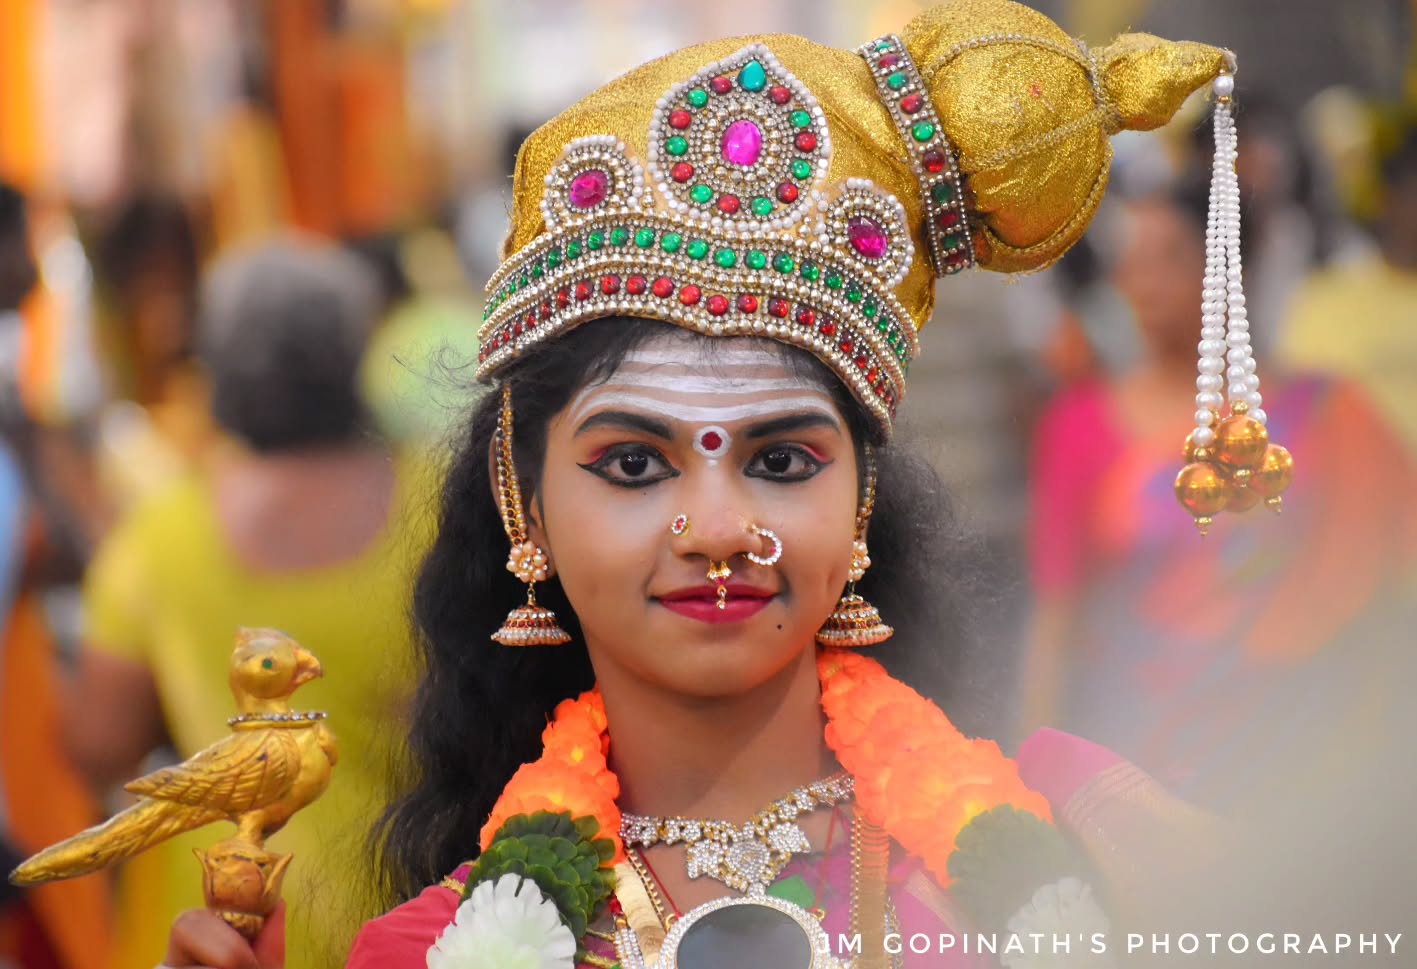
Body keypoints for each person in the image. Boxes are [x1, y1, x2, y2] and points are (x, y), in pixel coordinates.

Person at [156, 2, 1239, 966]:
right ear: (522, 498)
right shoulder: (431, 952)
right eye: (632, 464)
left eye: (780, 462)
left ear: (859, 500)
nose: (718, 528)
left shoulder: (1088, 840)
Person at [63, 236, 436, 969]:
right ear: (351, 359)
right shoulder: (443, 506)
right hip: (424, 909)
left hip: (224, 922)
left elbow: (99, 743)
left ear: (219, 370)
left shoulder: (161, 535)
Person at [1019, 188, 1417, 811]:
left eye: (1172, 257)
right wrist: (1029, 779)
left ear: (1236, 266)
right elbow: (1058, 614)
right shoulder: (1080, 424)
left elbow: (1395, 577)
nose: (1146, 283)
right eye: (1132, 262)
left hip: (1320, 760)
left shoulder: (1327, 416)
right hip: (1151, 766)